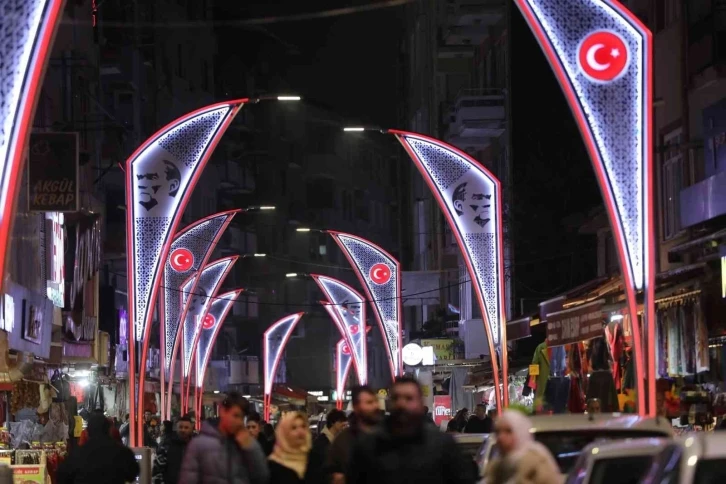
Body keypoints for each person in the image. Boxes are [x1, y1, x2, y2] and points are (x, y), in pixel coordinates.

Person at [346, 377, 476, 484]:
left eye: (408, 398)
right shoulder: (369, 445)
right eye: (396, 398)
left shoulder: (442, 445)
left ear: (420, 403)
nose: (401, 404)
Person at [178, 392, 269, 484]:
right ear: (223, 412)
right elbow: (188, 478)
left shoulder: (246, 443)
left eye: (241, 418)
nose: (238, 422)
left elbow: (261, 477)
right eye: (235, 415)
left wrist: (251, 448)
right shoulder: (199, 445)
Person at [57, 413, 139, 484]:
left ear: (88, 432)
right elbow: (133, 474)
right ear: (109, 430)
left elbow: (61, 477)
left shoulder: (78, 454)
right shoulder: (122, 452)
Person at [483, 410, 560, 484]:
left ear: (520, 433)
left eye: (508, 431)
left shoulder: (537, 464)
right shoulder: (496, 467)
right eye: (498, 432)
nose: (501, 437)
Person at [327, 386, 381, 484]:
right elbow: (330, 471)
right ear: (356, 407)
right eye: (369, 402)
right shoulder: (342, 440)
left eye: (375, 401)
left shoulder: (389, 434)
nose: (375, 406)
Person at [268, 412, 312, 484]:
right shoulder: (274, 465)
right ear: (285, 433)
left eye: (303, 426)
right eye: (294, 428)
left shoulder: (314, 458)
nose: (300, 431)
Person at [306, 409, 346, 484]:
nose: (343, 425)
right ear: (333, 423)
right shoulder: (321, 443)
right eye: (341, 421)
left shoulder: (335, 440)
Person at [153, 416, 194, 484]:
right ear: (176, 428)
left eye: (186, 427)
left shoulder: (197, 447)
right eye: (180, 427)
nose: (183, 430)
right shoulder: (167, 446)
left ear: (191, 429)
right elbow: (157, 470)